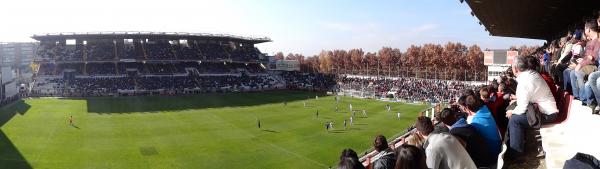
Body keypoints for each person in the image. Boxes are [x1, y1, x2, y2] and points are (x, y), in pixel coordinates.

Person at [506, 55, 558, 160]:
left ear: (515, 69)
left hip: (548, 115)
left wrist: (512, 112)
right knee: (514, 115)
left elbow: (522, 108)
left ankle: (516, 155)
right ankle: (511, 147)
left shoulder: (524, 82)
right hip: (547, 110)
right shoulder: (532, 74)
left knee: (514, 120)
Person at [460, 94, 502, 159]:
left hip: (492, 154)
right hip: (497, 147)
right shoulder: (485, 109)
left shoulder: (475, 122)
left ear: (467, 108)